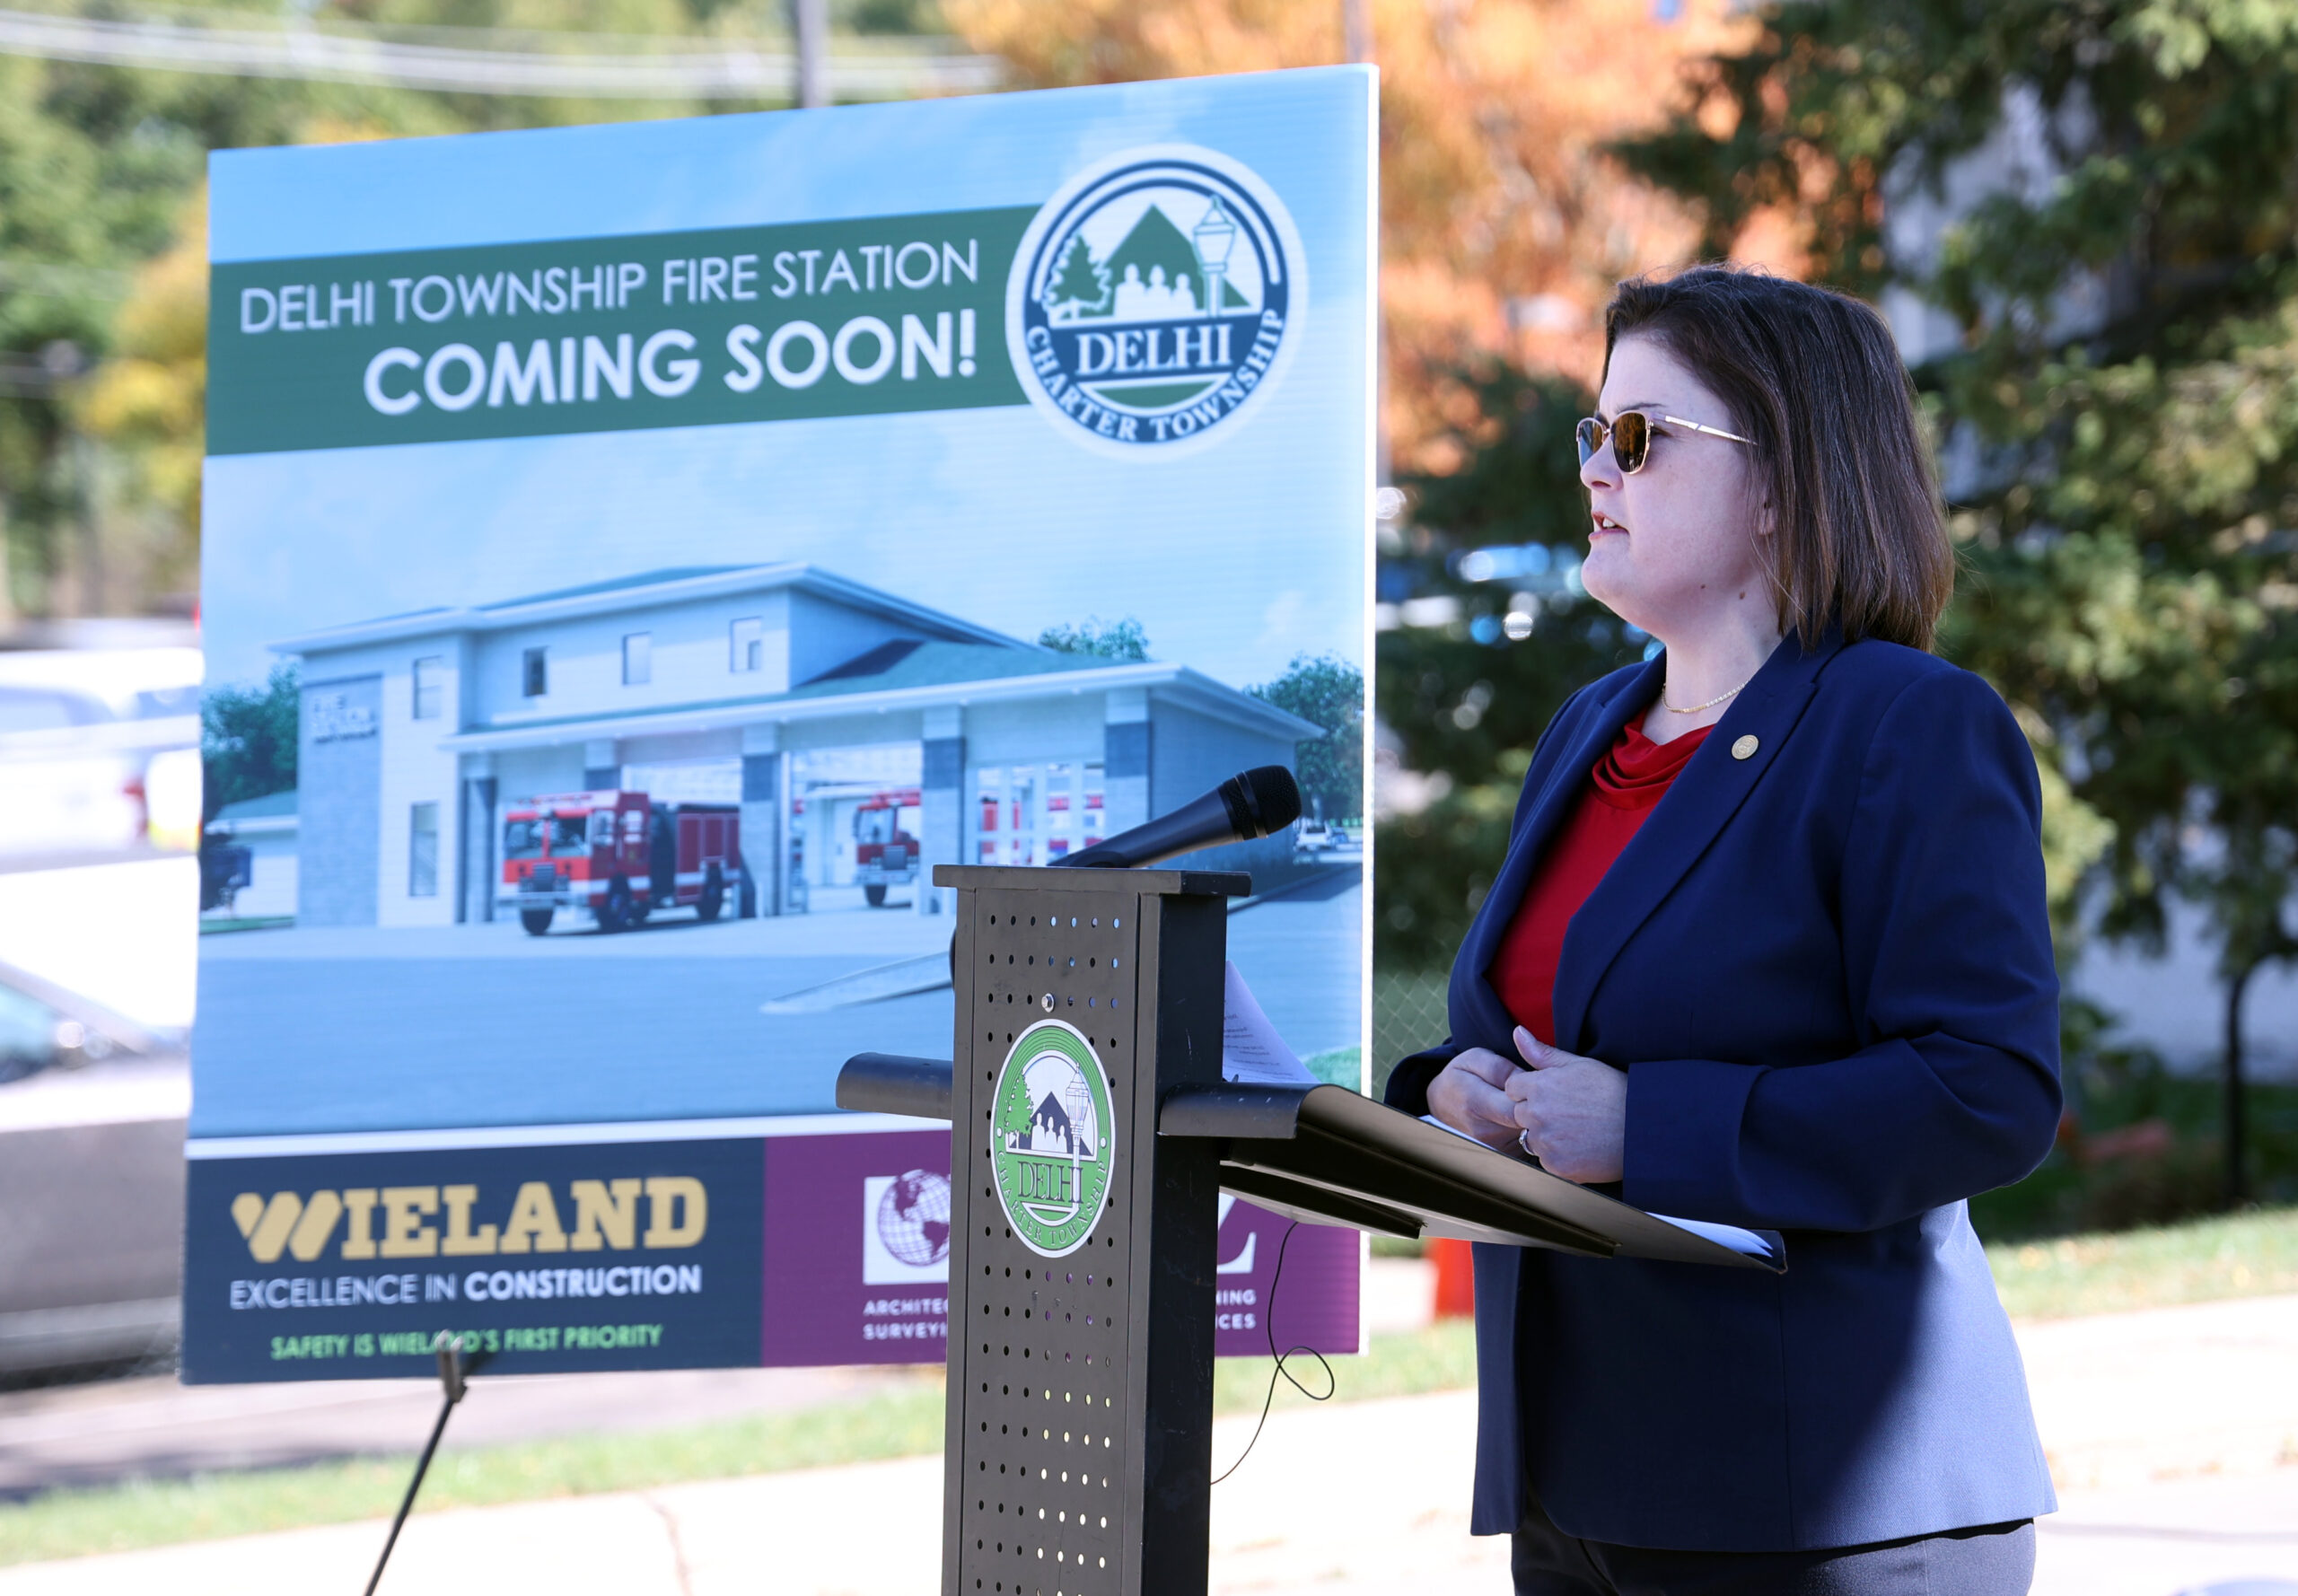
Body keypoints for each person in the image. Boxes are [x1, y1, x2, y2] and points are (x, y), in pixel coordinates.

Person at [1385, 265, 2062, 1594]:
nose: (1596, 471)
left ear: (1780, 482)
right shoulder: (1590, 729)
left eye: (1639, 437)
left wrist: (1655, 1126)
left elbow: (1990, 1090)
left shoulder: (1903, 723)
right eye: (1594, 433)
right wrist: (1451, 1096)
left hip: (1822, 1500)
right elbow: (1528, 1036)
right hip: (1580, 1480)